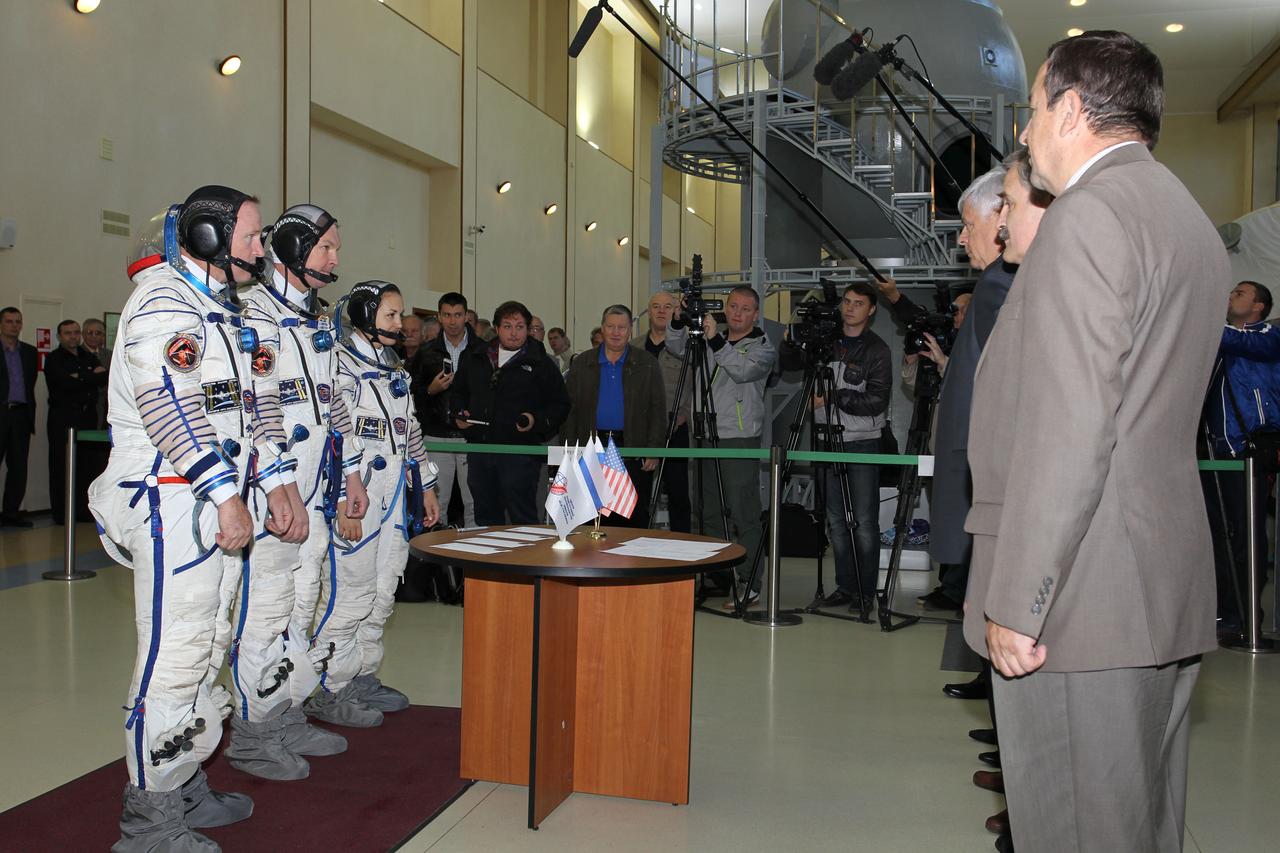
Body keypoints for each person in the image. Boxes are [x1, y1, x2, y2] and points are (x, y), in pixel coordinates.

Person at [964, 31, 1228, 853]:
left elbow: (1071, 429)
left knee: (1076, 830)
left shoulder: (1088, 218)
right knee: (1140, 826)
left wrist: (1019, 599)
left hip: (1079, 606)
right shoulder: (1184, 218)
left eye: (1033, 109)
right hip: (1155, 592)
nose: (1024, 132)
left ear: (1073, 109)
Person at [89, 185, 301, 850]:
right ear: (206, 238)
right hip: (170, 497)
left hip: (211, 499)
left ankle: (178, 779)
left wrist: (275, 481)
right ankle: (148, 817)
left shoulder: (221, 311)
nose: (259, 248)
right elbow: (166, 407)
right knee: (176, 652)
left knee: (207, 644)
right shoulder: (161, 301)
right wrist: (223, 492)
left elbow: (253, 403)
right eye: (249, 236)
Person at [231, 203, 370, 777]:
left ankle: (284, 710)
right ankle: (252, 732)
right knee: (264, 612)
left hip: (313, 490)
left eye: (336, 248)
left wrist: (355, 472)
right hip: (273, 493)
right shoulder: (252, 314)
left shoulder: (318, 322)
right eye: (326, 247)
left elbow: (335, 400)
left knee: (300, 605)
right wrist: (278, 483)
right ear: (291, 248)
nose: (335, 258)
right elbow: (253, 403)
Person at [309, 281, 440, 727]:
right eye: (389, 315)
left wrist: (426, 484)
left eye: (400, 315)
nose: (400, 324)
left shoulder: (394, 371)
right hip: (359, 497)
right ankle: (328, 685)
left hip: (392, 498)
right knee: (350, 595)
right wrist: (345, 497)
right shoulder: (339, 368)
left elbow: (411, 430)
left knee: (382, 592)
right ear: (365, 318)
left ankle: (361, 675)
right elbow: (335, 437)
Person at [783, 283, 891, 618]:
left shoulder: (878, 350)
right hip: (825, 440)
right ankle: (845, 587)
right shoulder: (824, 342)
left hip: (862, 443)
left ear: (871, 310)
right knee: (835, 521)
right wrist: (790, 339)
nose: (850, 308)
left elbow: (877, 402)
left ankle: (865, 592)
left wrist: (835, 396)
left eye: (858, 304)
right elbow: (790, 362)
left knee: (864, 522)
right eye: (847, 302)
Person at [666, 286, 777, 606]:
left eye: (745, 309)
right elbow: (676, 347)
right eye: (733, 306)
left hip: (737, 436)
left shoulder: (763, 347)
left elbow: (743, 372)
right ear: (725, 308)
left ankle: (750, 580)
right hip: (702, 433)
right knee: (707, 510)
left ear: (756, 314)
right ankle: (715, 576)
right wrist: (677, 320)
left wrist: (716, 340)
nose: (738, 313)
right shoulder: (708, 335)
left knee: (743, 511)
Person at [1203, 280, 1280, 636]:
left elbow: (1234, 340)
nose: (1230, 294)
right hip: (1214, 452)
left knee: (1246, 536)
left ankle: (1248, 617)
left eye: (1239, 292)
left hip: (1248, 450)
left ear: (1259, 306)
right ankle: (1224, 611)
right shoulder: (1221, 340)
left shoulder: (1269, 336)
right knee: (1218, 534)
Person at [450, 300, 569, 525]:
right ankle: (488, 559)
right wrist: (459, 414)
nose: (513, 333)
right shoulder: (474, 357)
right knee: (484, 516)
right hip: (480, 450)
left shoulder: (541, 362)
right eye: (507, 326)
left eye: (519, 326)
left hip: (521, 453)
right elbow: (458, 393)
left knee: (522, 515)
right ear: (496, 328)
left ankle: (524, 559)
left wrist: (537, 422)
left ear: (527, 329)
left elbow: (561, 404)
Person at [561, 305, 666, 528]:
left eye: (622, 327)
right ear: (602, 329)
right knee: (591, 517)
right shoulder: (582, 363)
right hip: (590, 448)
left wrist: (654, 449)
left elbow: (658, 408)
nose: (616, 332)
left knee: (631, 516)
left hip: (632, 448)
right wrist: (569, 450)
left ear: (630, 330)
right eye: (611, 326)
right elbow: (570, 411)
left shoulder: (647, 363)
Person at [414, 291, 485, 528]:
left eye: (457, 315)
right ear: (438, 317)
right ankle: (437, 563)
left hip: (471, 436)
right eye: (447, 315)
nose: (452, 321)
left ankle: (476, 561)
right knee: (436, 503)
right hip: (436, 436)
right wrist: (430, 390)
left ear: (466, 316)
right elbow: (409, 395)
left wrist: (476, 417)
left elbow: (490, 395)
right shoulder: (425, 353)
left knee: (475, 502)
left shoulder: (483, 351)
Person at [633, 292, 692, 531]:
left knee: (678, 493)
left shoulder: (689, 345)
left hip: (674, 427)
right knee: (638, 495)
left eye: (667, 306)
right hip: (640, 431)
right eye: (655, 306)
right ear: (648, 312)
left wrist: (684, 414)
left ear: (675, 312)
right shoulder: (633, 346)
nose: (661, 311)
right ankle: (634, 550)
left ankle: (682, 556)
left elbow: (695, 385)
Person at [43, 319, 106, 524]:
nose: (73, 336)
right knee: (61, 465)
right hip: (62, 418)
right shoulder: (54, 358)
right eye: (68, 333)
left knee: (85, 467)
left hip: (87, 417)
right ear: (60, 336)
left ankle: (82, 511)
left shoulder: (87, 355)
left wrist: (79, 376)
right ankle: (61, 514)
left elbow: (102, 378)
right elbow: (63, 383)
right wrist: (86, 377)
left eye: (76, 332)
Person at [0, 307, 36, 528]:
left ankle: (11, 513)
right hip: (1, 412)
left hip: (21, 415)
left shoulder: (29, 352)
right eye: (9, 321)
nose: (14, 325)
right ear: (1, 324)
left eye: (17, 321)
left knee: (18, 466)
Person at [82, 317, 112, 427]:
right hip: (86, 407)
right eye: (90, 333)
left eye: (98, 333)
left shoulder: (111, 355)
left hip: (108, 407)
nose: (94, 336)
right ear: (83, 335)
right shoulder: (78, 354)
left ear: (103, 336)